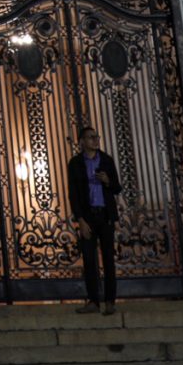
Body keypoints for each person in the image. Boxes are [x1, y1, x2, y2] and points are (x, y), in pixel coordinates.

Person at [67, 125, 121, 315]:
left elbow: (116, 188)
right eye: (91, 137)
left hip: (105, 215)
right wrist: (80, 220)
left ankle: (110, 301)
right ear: (82, 142)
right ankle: (93, 301)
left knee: (108, 259)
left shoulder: (106, 161)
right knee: (89, 260)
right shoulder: (75, 163)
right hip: (87, 218)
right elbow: (73, 194)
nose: (95, 140)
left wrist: (107, 180)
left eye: (96, 137)